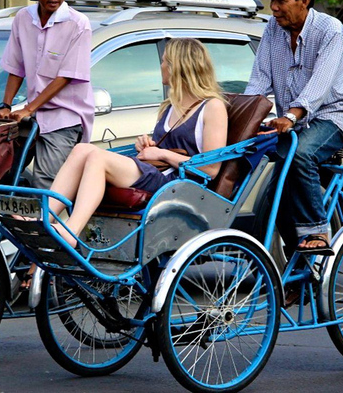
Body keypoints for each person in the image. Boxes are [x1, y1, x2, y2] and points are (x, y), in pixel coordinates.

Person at [27, 38, 227, 285]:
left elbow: (211, 168)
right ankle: (44, 218)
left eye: (164, 62)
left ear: (178, 66)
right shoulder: (170, 106)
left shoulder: (213, 107)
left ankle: (71, 231)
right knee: (81, 149)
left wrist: (162, 155)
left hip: (180, 185)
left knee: (97, 158)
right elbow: (162, 150)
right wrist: (150, 146)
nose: (161, 66)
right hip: (158, 175)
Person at [245, 0, 343, 255]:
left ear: (304, 0)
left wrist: (292, 115)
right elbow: (259, 79)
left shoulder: (330, 29)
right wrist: (247, 118)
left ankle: (318, 230)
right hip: (293, 123)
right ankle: (301, 268)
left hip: (332, 116)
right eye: (272, 0)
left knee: (300, 154)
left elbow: (320, 84)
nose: (273, 8)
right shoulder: (272, 28)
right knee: (275, 197)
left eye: (281, 0)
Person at [0, 0, 94, 189]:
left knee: (46, 182)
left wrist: (29, 108)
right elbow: (15, 67)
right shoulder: (22, 19)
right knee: (3, 176)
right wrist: (5, 106)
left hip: (64, 117)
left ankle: (50, 224)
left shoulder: (79, 24)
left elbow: (66, 76)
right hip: (31, 116)